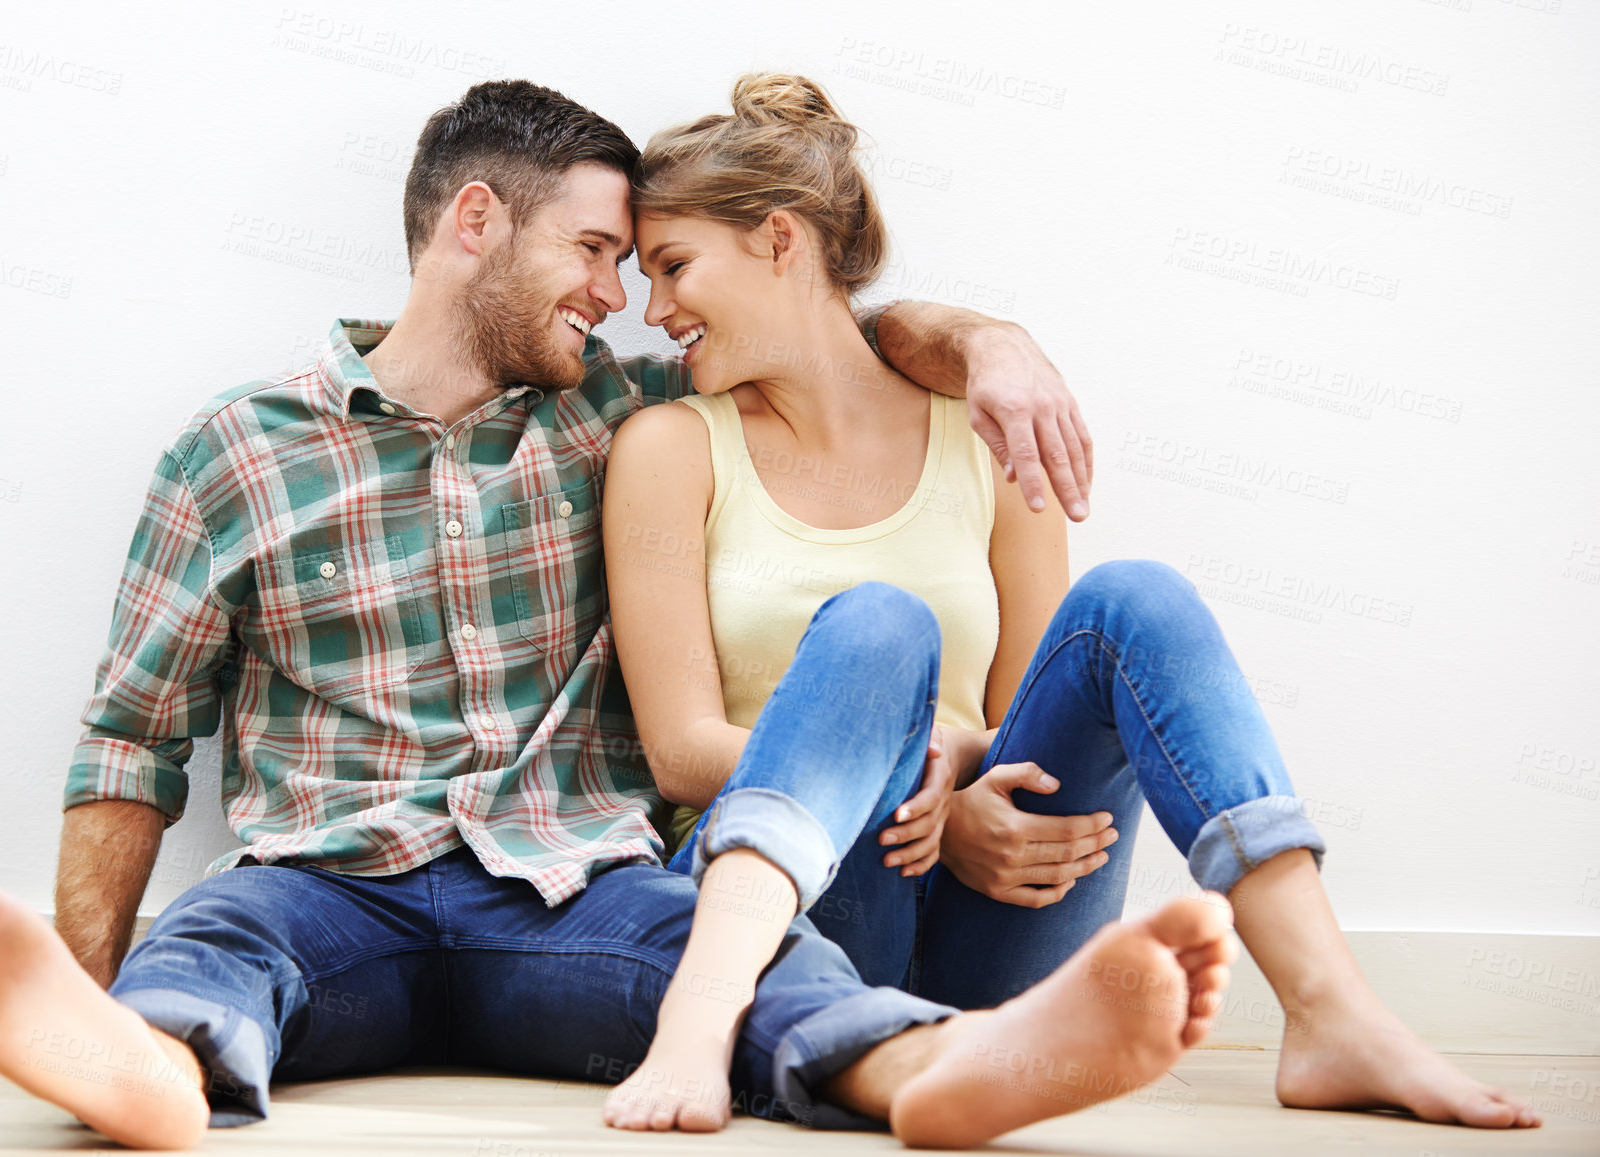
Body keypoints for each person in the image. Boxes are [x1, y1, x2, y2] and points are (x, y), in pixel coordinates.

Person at [0, 78, 1242, 1150]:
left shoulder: (626, 409)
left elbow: (821, 324)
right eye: (596, 251)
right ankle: (136, 1066)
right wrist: (79, 965)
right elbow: (133, 737)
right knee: (213, 946)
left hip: (568, 889)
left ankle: (936, 1067)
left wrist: (993, 341)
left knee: (756, 957)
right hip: (323, 881)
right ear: (475, 222)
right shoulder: (236, 452)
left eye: (633, 262)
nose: (620, 295)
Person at [598, 73, 1541, 1135]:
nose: (652, 309)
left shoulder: (983, 439)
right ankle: (818, 1034)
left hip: (991, 917)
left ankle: (1332, 1013)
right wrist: (932, 799)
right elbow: (680, 750)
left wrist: (967, 773)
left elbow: (1016, 722)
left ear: (778, 240)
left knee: (1134, 596)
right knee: (878, 622)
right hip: (792, 913)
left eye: (672, 266)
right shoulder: (672, 446)